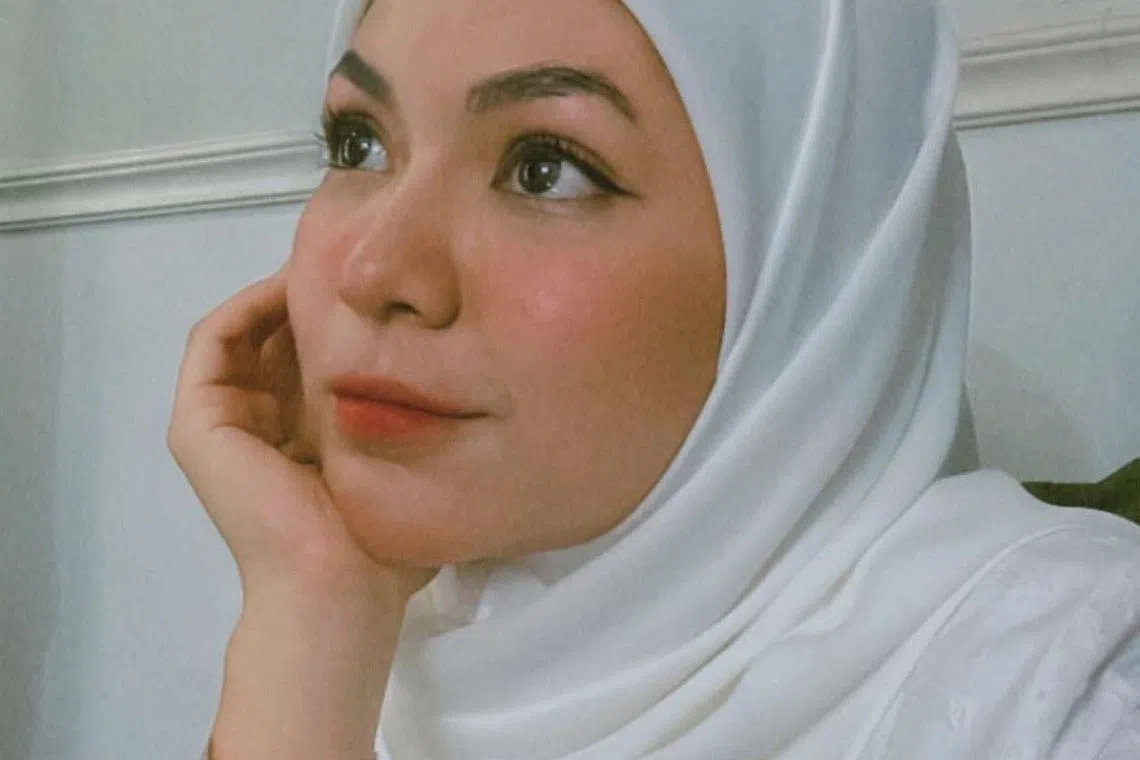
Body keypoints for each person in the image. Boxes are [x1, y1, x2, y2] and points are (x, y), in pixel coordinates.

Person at [167, 0, 1140, 757]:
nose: (373, 270)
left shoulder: (1066, 687)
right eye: (359, 144)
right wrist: (312, 609)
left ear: (810, 268)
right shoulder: (396, 642)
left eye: (546, 168)